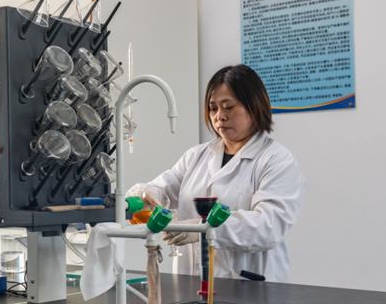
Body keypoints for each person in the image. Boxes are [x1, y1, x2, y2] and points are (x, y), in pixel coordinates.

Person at [127, 65, 306, 282]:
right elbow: (163, 188)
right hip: (190, 281)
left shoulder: (277, 161)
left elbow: (269, 226)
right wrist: (145, 194)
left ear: (254, 106)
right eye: (213, 109)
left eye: (228, 107)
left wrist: (204, 228)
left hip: (247, 284)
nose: (219, 116)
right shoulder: (197, 156)